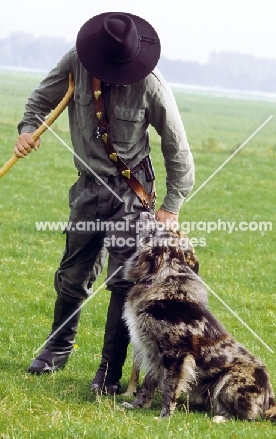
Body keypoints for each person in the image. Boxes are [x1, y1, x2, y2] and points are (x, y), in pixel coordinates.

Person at [14, 12, 194, 394]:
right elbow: (37, 102)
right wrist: (27, 131)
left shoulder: (151, 83)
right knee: (72, 275)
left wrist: (172, 207)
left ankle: (109, 374)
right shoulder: (75, 60)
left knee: (121, 283)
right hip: (87, 190)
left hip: (132, 194)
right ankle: (57, 350)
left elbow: (178, 148)